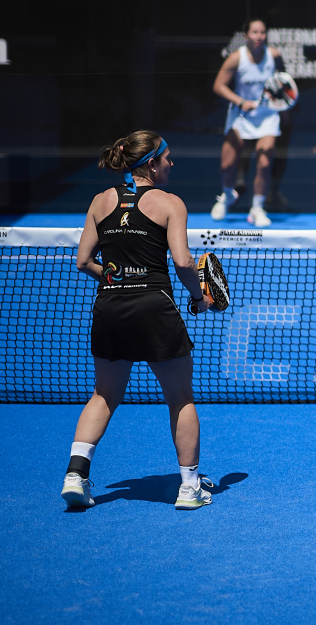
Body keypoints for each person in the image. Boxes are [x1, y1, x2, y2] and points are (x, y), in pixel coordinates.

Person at [62, 130, 216, 511]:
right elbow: (182, 262)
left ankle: (76, 476)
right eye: (168, 158)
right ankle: (189, 487)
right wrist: (198, 298)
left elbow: (83, 262)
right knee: (180, 398)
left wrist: (116, 277)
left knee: (103, 394)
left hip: (110, 307)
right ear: (151, 163)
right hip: (154, 307)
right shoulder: (170, 203)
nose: (172, 164)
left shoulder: (101, 201)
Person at [211, 18, 284, 227]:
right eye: (254, 32)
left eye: (262, 32)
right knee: (227, 165)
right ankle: (227, 196)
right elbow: (219, 85)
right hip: (241, 116)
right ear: (246, 35)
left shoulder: (274, 56)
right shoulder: (236, 59)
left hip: (267, 115)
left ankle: (257, 208)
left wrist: (281, 104)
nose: (259, 36)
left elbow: (282, 81)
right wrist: (241, 101)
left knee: (263, 162)